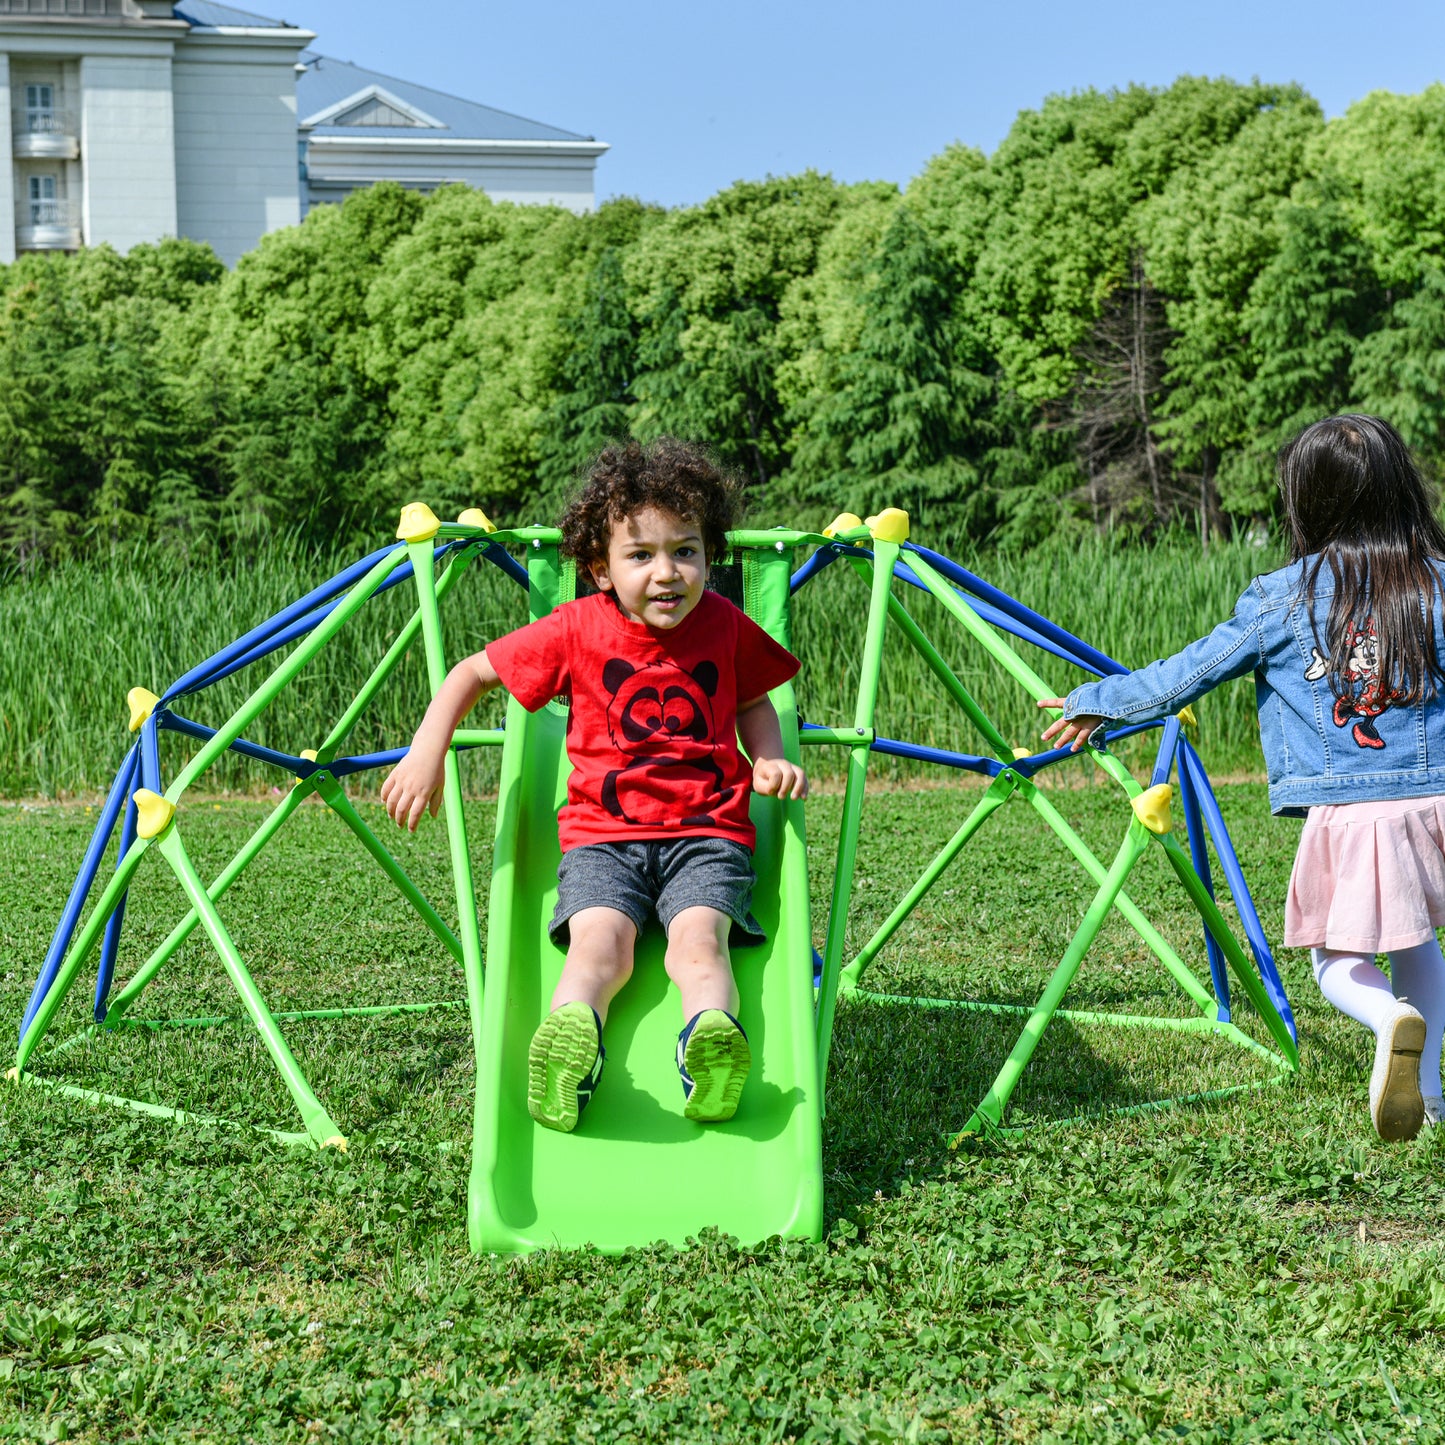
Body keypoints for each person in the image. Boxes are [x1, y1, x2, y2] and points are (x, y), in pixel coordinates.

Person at [381, 438, 808, 1133]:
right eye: (641, 555)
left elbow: (755, 700)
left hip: (706, 835)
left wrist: (766, 758)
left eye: (686, 550)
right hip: (602, 840)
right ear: (598, 567)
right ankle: (569, 1041)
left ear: (708, 554)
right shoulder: (575, 628)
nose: (667, 573)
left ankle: (710, 1042)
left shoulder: (725, 625)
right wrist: (428, 748)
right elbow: (471, 673)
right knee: (598, 945)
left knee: (699, 943)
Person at [1039, 414, 1445, 1142]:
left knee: (1335, 957)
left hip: (1353, 814)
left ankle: (1387, 1019)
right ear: (1401, 489)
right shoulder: (1436, 583)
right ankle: (1434, 1095)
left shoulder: (1282, 596)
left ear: (1307, 500)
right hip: (1435, 803)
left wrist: (1096, 700)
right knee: (1417, 943)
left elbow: (1183, 675)